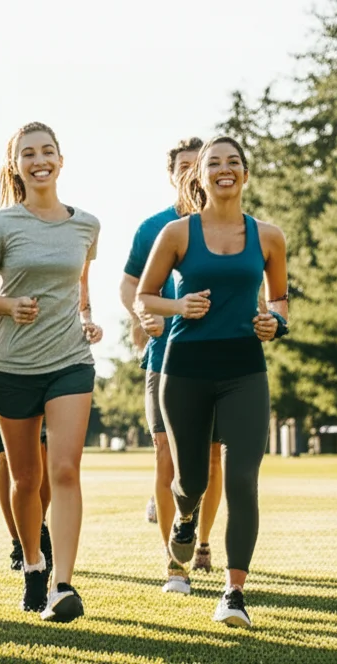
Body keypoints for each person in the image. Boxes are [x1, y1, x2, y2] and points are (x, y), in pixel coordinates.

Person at [136, 135, 289, 628]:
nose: (225, 169)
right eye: (214, 163)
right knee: (192, 481)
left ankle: (234, 592)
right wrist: (178, 306)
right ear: (198, 177)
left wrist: (275, 323)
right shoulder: (178, 234)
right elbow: (145, 295)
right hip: (184, 371)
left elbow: (280, 299)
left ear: (245, 173)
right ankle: (184, 519)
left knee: (243, 479)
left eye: (234, 162)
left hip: (245, 369)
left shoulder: (269, 237)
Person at [0, 122, 102, 623]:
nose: (39, 159)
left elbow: (80, 288)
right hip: (13, 366)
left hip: (70, 363)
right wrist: (9, 304)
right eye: (28, 153)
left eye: (47, 151)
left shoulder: (87, 225)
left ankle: (64, 584)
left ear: (61, 161)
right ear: (16, 165)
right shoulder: (1, 225)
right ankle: (33, 564)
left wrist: (87, 321)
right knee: (26, 479)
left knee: (64, 470)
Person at [119, 136, 225, 594]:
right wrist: (147, 315)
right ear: (173, 174)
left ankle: (201, 543)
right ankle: (172, 563)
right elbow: (130, 287)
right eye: (183, 166)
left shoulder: (229, 225)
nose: (190, 173)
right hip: (164, 359)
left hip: (219, 361)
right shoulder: (154, 228)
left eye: (196, 165)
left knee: (212, 459)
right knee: (166, 457)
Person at [0, 305, 53, 573]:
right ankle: (18, 541)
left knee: (42, 453)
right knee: (4, 457)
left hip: (41, 369)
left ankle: (37, 526)